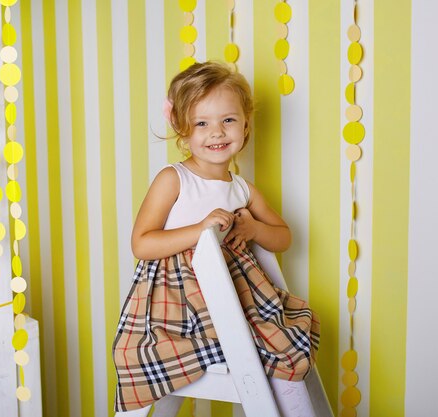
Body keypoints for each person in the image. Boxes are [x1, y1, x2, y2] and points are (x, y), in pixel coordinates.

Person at [113, 61, 320, 416]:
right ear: (182, 128)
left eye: (228, 120)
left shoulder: (241, 188)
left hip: (235, 298)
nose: (216, 132)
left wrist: (253, 229)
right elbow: (142, 243)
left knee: (281, 344)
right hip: (179, 302)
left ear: (245, 124)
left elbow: (284, 237)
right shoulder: (173, 179)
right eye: (202, 123)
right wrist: (200, 230)